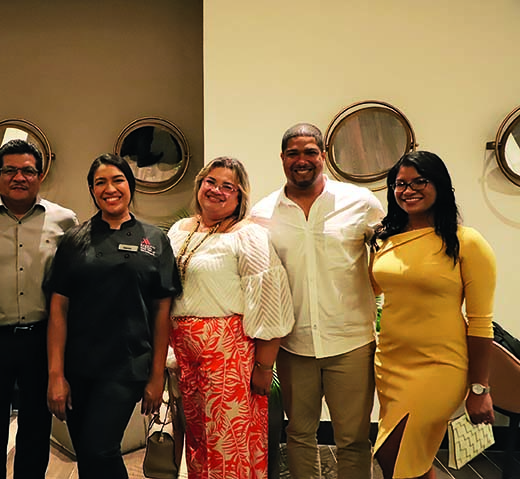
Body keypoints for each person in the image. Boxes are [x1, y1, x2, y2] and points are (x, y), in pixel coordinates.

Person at [251, 123, 384, 479]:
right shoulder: (263, 213)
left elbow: (388, 254)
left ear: (323, 156)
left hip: (351, 343)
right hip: (294, 346)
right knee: (298, 435)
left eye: (310, 152)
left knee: (353, 439)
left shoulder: (361, 203)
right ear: (282, 158)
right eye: (293, 153)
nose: (302, 160)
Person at [46, 153, 180, 479]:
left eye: (118, 180)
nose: (110, 189)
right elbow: (58, 309)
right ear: (92, 191)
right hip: (79, 366)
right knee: (87, 453)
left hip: (127, 365)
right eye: (100, 182)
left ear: (130, 185)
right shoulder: (75, 240)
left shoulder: (155, 240)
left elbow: (162, 312)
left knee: (100, 448)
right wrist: (56, 374)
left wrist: (157, 376)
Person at [370, 151, 496, 479]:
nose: (408, 190)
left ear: (439, 185)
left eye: (419, 182)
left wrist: (479, 388)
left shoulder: (467, 242)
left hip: (439, 366)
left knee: (394, 455)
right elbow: (374, 288)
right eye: (400, 184)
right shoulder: (386, 241)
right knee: (411, 458)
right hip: (390, 364)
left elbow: (481, 322)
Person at [168, 156, 295, 479]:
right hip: (185, 355)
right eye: (211, 182)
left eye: (228, 187)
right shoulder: (179, 230)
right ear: (199, 185)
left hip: (227, 355)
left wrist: (264, 367)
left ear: (240, 197)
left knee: (228, 445)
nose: (217, 190)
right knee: (198, 443)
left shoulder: (247, 235)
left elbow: (270, 301)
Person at [0, 139, 77, 479]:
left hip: (41, 339)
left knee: (36, 427)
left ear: (40, 176)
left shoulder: (65, 221)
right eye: (9, 170)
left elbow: (74, 282)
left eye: (28, 171)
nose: (19, 177)